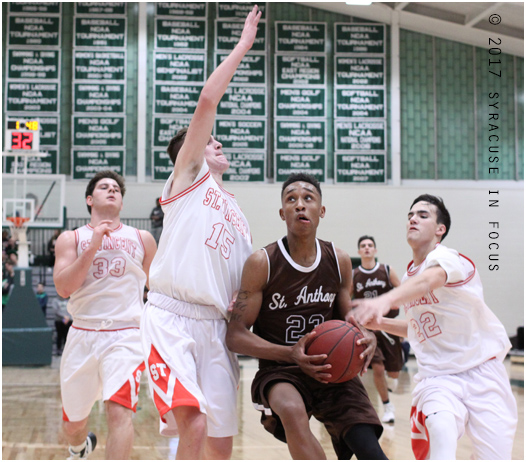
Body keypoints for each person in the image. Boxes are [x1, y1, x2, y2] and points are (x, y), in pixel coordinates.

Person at [140, 6, 260, 460]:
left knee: (220, 444)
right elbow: (207, 102)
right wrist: (243, 46)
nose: (218, 142)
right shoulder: (188, 179)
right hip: (172, 318)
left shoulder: (238, 214)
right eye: (211, 140)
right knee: (193, 421)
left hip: (216, 327)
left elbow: (243, 283)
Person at [226, 173, 387, 460]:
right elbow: (235, 336)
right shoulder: (262, 262)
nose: (300, 205)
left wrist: (366, 334)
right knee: (290, 410)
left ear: (321, 210)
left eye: (308, 198)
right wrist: (291, 354)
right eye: (291, 199)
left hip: (332, 368)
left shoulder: (338, 260)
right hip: (281, 370)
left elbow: (349, 318)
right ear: (282, 212)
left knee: (369, 447)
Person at [353, 194, 517, 460]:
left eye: (423, 215)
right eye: (410, 215)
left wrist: (386, 299)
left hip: (483, 374)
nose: (413, 219)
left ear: (440, 230)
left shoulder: (449, 258)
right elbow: (419, 328)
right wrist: (381, 323)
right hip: (438, 378)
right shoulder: (409, 276)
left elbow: (432, 279)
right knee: (441, 432)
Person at [53, 170, 157, 460]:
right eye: (103, 187)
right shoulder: (71, 238)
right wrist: (94, 245)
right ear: (90, 199)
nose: (112, 190)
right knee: (72, 425)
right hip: (83, 334)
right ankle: (79, 447)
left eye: (117, 189)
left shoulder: (142, 239)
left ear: (121, 202)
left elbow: (160, 289)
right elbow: (63, 288)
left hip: (126, 335)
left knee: (119, 410)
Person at [352, 235, 402, 424]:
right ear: (359, 252)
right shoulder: (354, 275)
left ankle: (390, 384)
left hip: (389, 327)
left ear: (375, 250)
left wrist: (394, 302)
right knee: (378, 369)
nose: (366, 248)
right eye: (363, 246)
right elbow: (347, 298)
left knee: (394, 373)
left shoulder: (387, 270)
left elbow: (401, 290)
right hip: (368, 330)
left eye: (370, 245)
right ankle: (388, 406)